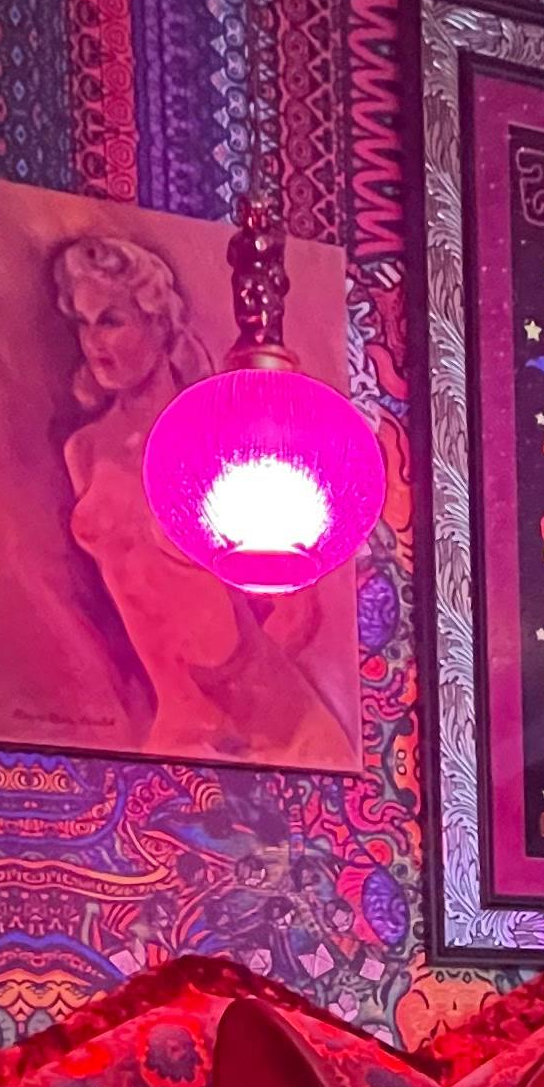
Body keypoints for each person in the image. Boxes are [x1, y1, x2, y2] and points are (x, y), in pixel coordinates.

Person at [49, 230, 352, 767]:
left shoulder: (215, 448)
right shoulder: (84, 452)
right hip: (178, 730)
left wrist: (237, 698)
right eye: (83, 323)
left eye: (111, 320)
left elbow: (299, 608)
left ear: (159, 324)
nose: (94, 341)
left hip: (276, 732)